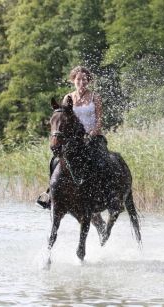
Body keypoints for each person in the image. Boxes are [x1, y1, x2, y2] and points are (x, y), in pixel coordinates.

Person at [36, 66, 107, 209]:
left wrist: (93, 132)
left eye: (84, 79)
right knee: (55, 161)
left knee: (101, 161)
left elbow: (100, 119)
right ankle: (50, 194)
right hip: (74, 140)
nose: (82, 82)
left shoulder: (95, 97)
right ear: (73, 80)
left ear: (88, 81)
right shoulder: (68, 98)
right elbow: (63, 119)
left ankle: (106, 193)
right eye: (78, 79)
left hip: (93, 138)